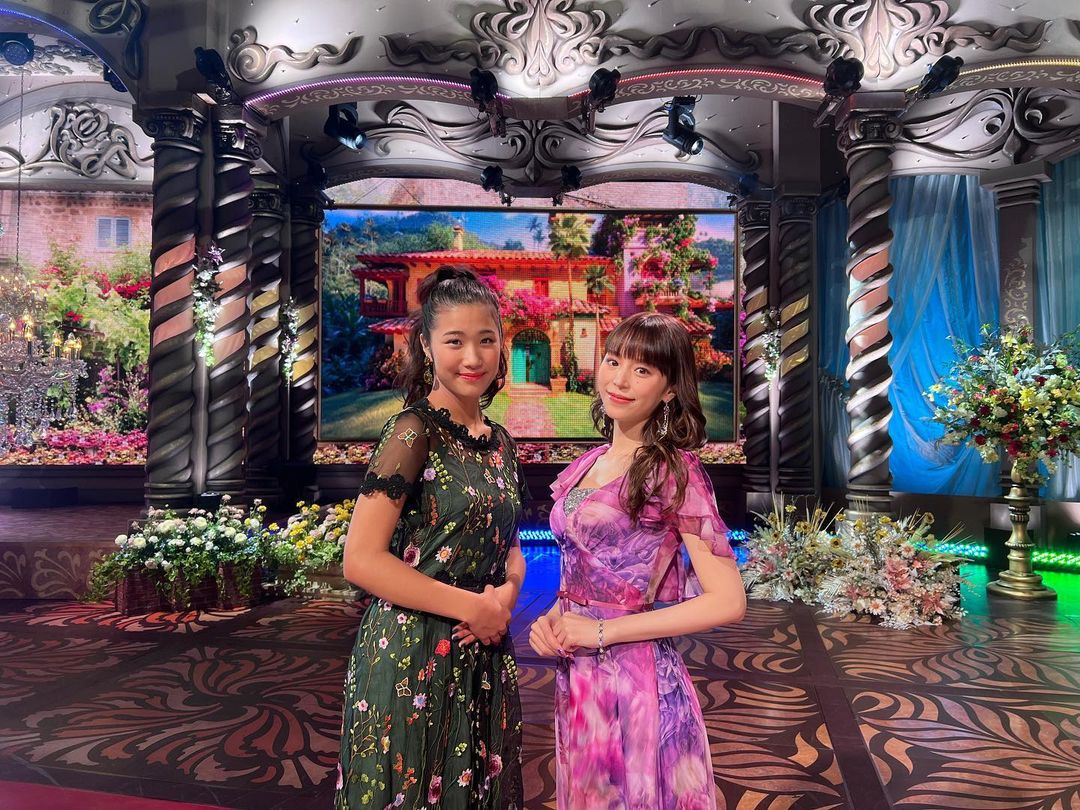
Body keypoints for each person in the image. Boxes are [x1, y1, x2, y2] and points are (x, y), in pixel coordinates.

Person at [529, 311, 746, 810]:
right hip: (579, 674)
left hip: (637, 679)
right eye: (613, 361)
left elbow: (729, 602)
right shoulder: (588, 464)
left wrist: (601, 632)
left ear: (669, 390)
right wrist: (553, 619)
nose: (620, 380)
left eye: (642, 370)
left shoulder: (674, 472)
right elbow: (584, 571)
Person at [337, 266, 526, 809]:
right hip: (411, 654)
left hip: (484, 650)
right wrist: (474, 607)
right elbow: (361, 560)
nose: (473, 357)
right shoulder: (411, 431)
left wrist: (505, 599)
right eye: (455, 341)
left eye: (486, 340)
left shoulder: (502, 442)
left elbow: (511, 547)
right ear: (425, 345)